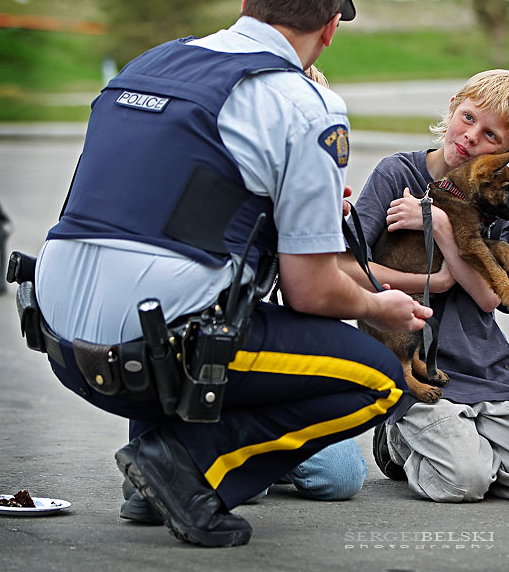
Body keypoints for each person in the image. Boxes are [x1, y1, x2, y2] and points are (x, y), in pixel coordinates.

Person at [30, 0, 431, 547]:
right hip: (155, 346)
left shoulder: (149, 64)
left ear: (247, 1)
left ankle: (150, 486)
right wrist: (378, 306)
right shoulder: (306, 103)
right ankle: (188, 467)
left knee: (189, 295)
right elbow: (310, 292)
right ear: (330, 28)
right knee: (377, 377)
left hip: (64, 343)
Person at [118, 65, 370, 525]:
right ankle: (183, 459)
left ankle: (224, 459)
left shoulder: (287, 183)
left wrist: (316, 222)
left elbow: (304, 294)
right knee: (241, 485)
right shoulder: (220, 181)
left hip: (245, 362)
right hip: (190, 357)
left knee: (342, 477)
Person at [338, 69, 509, 503]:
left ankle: (458, 438)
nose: (471, 136)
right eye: (468, 117)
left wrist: (440, 226)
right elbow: (349, 267)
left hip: (481, 363)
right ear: (452, 107)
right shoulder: (397, 172)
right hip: (414, 354)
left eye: (491, 135)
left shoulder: (500, 196)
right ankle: (403, 442)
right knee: (465, 481)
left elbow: (487, 297)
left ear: (507, 155)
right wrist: (433, 281)